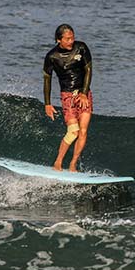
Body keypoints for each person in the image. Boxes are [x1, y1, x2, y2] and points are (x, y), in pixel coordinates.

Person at [43, 24, 93, 172]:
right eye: (67, 39)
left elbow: (89, 70)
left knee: (83, 131)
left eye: (72, 37)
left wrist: (84, 93)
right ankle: (58, 162)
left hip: (84, 94)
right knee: (73, 132)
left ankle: (73, 164)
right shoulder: (52, 57)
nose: (71, 41)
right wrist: (47, 104)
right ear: (59, 40)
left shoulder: (81, 48)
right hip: (68, 96)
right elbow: (47, 80)